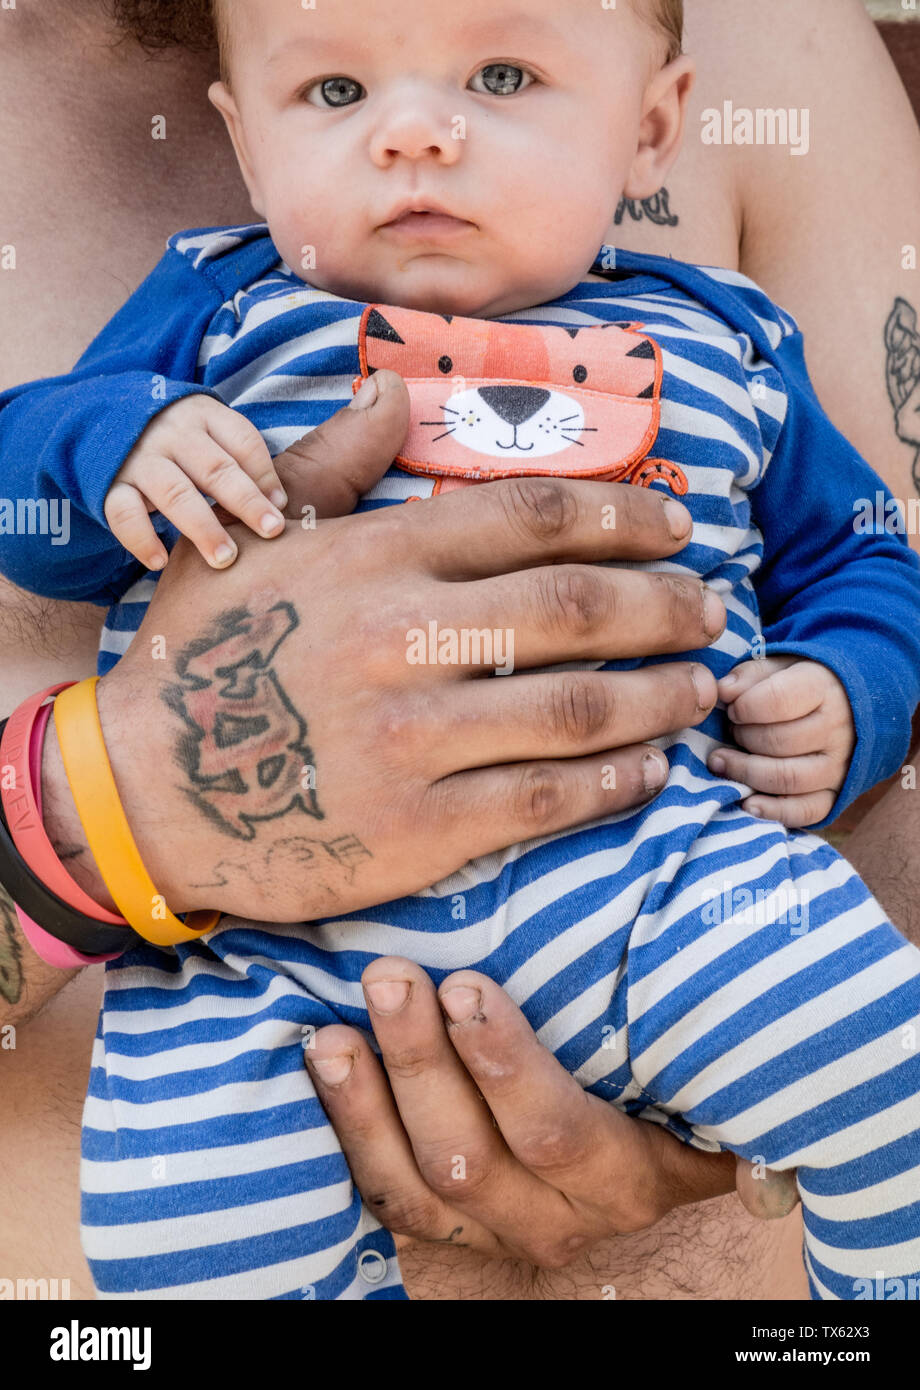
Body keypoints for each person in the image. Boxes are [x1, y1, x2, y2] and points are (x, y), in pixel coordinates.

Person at [3, 0, 920, 1302]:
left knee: (885, 1062)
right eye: (333, 92)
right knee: (185, 1225)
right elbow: (27, 487)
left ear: (657, 122)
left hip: (654, 896)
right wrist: (121, 459)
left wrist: (853, 694)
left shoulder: (734, 337)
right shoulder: (208, 317)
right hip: (260, 968)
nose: (418, 136)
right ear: (245, 145)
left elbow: (869, 565)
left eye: (501, 74)